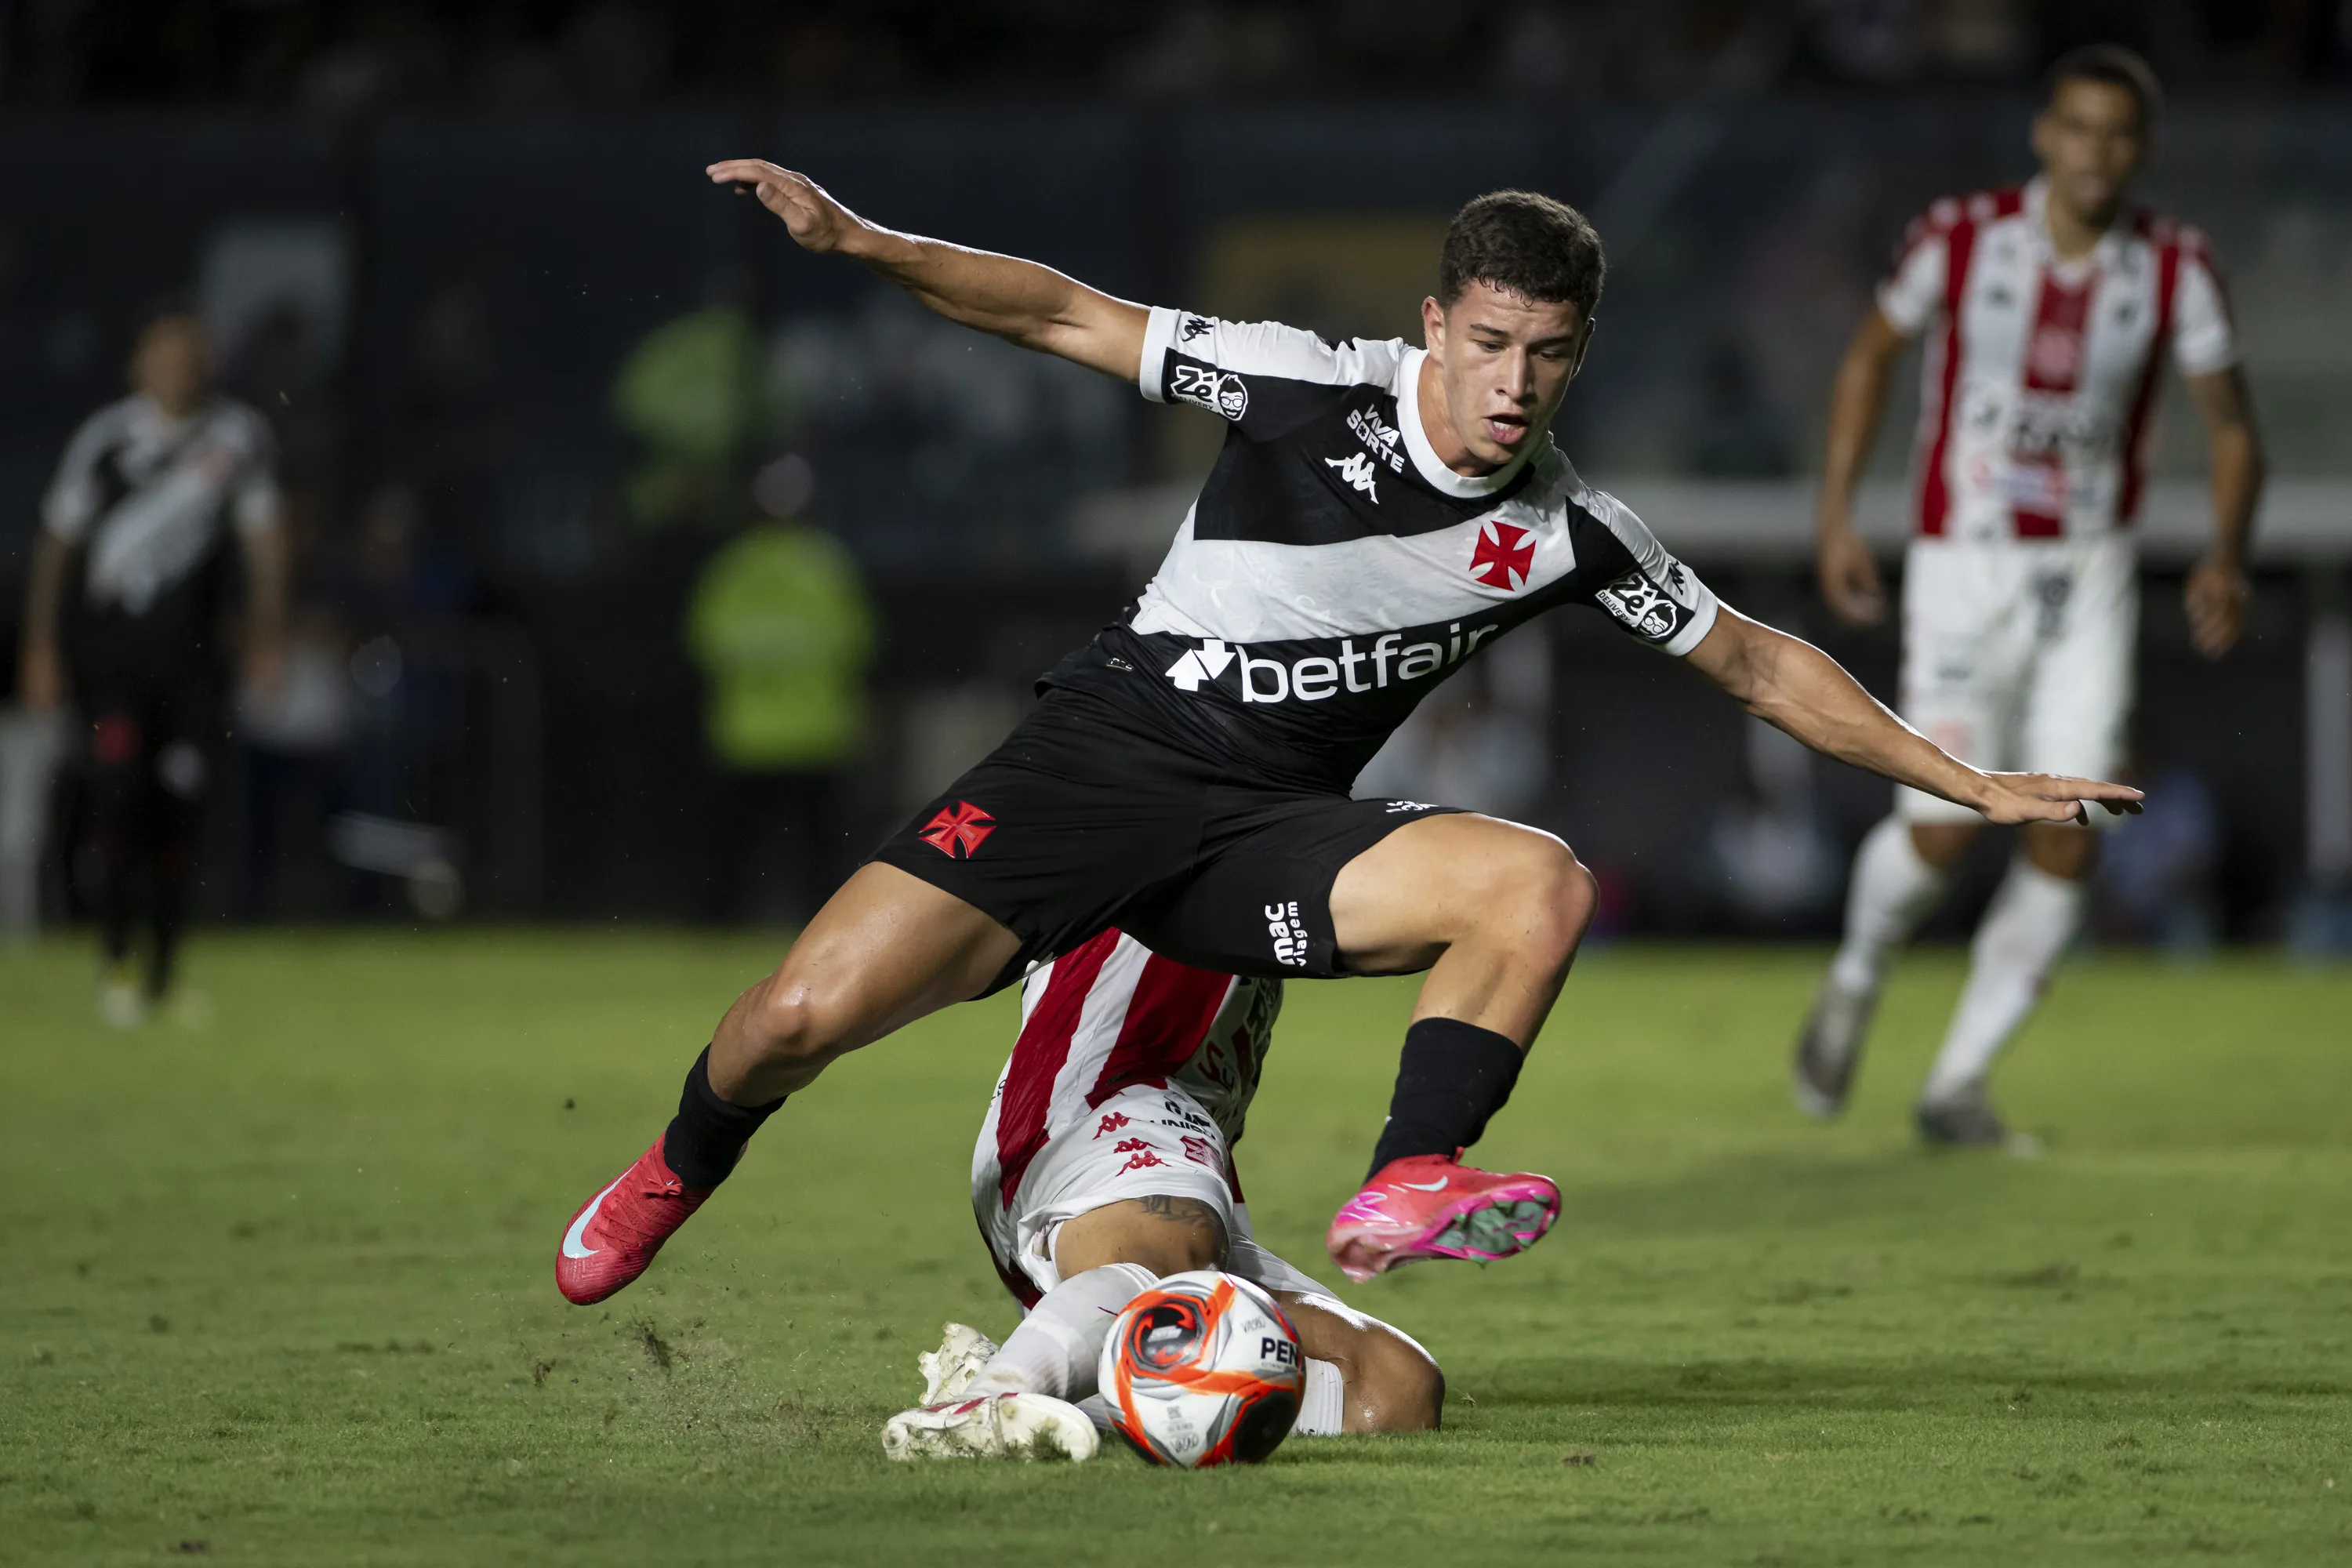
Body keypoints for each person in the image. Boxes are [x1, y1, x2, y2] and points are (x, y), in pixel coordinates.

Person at [554, 166, 2140, 1310]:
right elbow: (1058, 314)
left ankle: (1408, 1174)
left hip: (1271, 834)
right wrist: (863, 240)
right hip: (1097, 768)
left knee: (1539, 886)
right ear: (1435, 324)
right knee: (794, 1018)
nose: (1517, 388)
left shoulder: (1576, 526)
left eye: (1552, 355)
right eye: (1492, 344)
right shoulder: (1301, 387)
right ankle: (680, 1163)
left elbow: (1757, 664)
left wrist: (1970, 780)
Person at [1793, 45, 2262, 1147]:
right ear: (2045, 135)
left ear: (2141, 151)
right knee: (1944, 824)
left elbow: (2234, 427)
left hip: (2087, 575)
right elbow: (1869, 355)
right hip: (1963, 565)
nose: (2096, 152)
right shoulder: (1960, 235)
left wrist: (2227, 552)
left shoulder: (2176, 266)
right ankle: (1858, 976)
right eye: (2079, 128)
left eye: (2119, 134)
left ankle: (1956, 1085)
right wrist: (1836, 513)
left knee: (2075, 825)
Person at [882, 928, 1443, 1460]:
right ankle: (983, 1404)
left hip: (1180, 1142)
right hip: (1101, 1096)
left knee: (1393, 1391)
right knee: (1165, 1271)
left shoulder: (1290, 848)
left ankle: (1039, 1381)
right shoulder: (1167, 827)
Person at [16, 307, 288, 1023]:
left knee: (180, 816)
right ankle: (114, 961)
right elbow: (58, 544)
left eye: (190, 357)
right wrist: (41, 646)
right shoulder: (105, 441)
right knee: (117, 800)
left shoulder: (236, 439)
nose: (178, 370)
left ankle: (164, 975)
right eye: (165, 357)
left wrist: (268, 638)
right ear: (139, 365)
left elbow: (265, 540)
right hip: (113, 665)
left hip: (194, 670)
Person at [684, 515, 876, 923]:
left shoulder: (733, 566)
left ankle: (718, 929)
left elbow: (705, 641)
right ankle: (825, 927)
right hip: (815, 732)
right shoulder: (826, 564)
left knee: (737, 848)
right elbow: (859, 640)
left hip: (748, 732)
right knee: (817, 852)